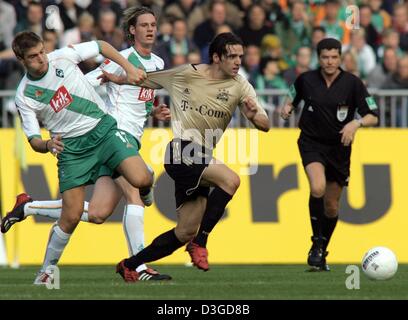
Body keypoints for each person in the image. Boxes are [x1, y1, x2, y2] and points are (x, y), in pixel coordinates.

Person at [1, 7, 172, 281]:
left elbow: (112, 61)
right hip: (80, 146)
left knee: (107, 207)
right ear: (21, 59)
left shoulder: (64, 57)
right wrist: (47, 145)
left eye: (42, 52)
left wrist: (150, 106)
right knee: (78, 214)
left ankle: (29, 208)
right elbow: (33, 138)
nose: (41, 60)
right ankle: (52, 273)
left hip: (103, 133)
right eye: (33, 57)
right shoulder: (25, 95)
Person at [102, 32, 270, 282]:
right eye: (232, 56)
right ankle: (200, 243)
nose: (237, 62)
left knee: (184, 230)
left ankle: (130, 264)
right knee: (231, 180)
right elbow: (145, 80)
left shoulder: (240, 85)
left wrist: (254, 115)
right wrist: (116, 78)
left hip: (200, 158)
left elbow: (265, 124)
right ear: (216, 57)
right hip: (181, 150)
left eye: (240, 57)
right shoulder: (186, 74)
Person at [280, 38, 379, 271]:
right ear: (319, 58)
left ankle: (322, 249)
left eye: (334, 57)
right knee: (317, 187)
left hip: (339, 149)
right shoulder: (306, 79)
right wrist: (287, 107)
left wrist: (355, 124)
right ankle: (315, 243)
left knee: (332, 206)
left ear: (340, 57)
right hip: (311, 142)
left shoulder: (353, 83)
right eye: (325, 57)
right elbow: (290, 98)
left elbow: (373, 115)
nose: (330, 61)